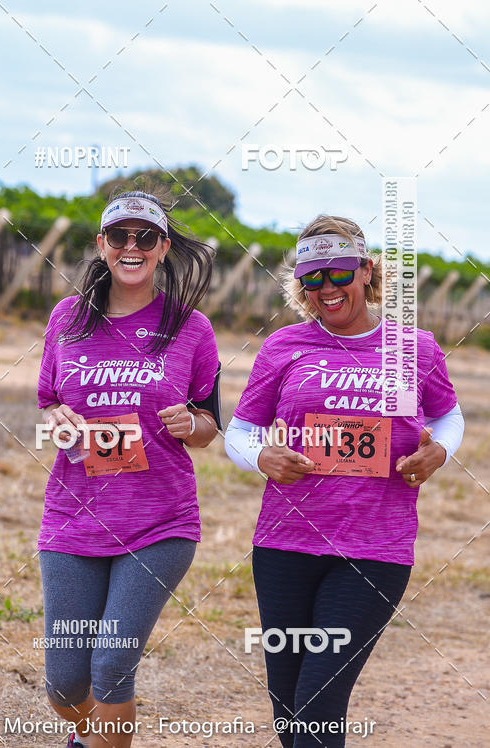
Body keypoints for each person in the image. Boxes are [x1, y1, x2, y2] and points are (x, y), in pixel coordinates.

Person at [225, 214, 464, 747]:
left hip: (375, 548)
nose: (326, 289)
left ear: (366, 270)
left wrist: (440, 451)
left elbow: (449, 414)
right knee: (290, 712)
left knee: (319, 702)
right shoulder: (283, 346)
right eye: (312, 278)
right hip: (284, 544)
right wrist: (262, 456)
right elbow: (240, 431)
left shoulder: (415, 347)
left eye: (337, 274)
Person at [37, 190, 222, 748]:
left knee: (113, 661)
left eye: (146, 237)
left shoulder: (191, 328)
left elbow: (213, 424)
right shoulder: (67, 318)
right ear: (102, 245)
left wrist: (194, 425)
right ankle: (88, 736)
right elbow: (48, 402)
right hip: (73, 521)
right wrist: (58, 420)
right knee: (66, 686)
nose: (132, 246)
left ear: (163, 248)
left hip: (160, 524)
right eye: (120, 236)